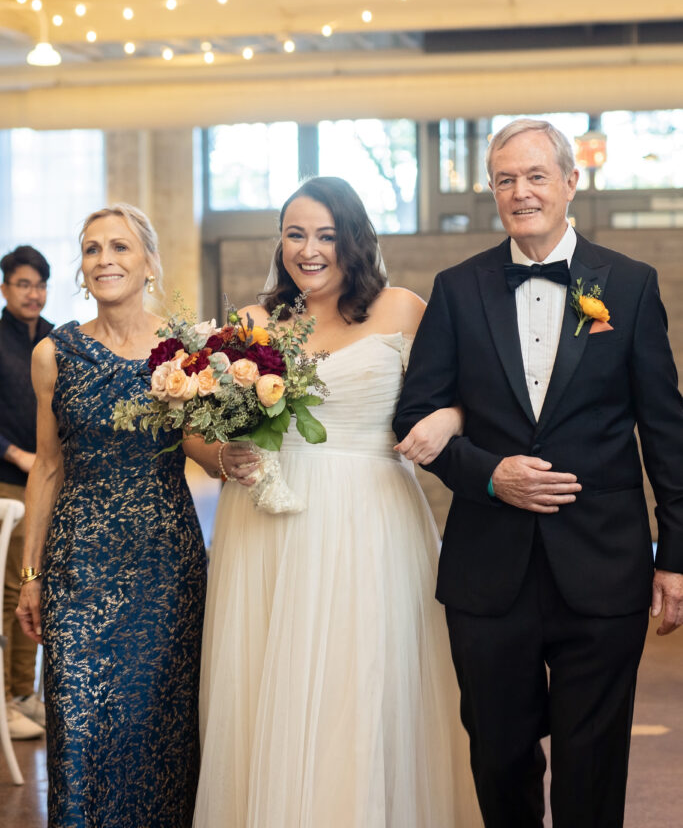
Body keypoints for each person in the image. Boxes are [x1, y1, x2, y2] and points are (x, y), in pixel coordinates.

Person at [394, 117, 683, 828]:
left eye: (534, 176)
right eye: (504, 180)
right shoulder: (456, 289)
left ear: (569, 182)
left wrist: (674, 555)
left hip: (602, 564)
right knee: (498, 755)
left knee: (592, 761)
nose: (519, 192)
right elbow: (415, 417)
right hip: (488, 570)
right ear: (491, 190)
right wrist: (492, 475)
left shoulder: (632, 285)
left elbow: (665, 431)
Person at [187, 176, 482, 827]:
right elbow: (196, 430)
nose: (309, 249)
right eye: (295, 234)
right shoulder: (251, 326)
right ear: (280, 243)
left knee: (363, 684)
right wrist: (220, 456)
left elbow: (465, 399)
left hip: (369, 521)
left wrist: (446, 422)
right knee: (273, 688)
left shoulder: (404, 309)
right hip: (267, 523)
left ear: (354, 239)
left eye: (325, 234)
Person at [16, 204, 207, 828]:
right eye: (92, 249)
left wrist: (239, 450)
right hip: (77, 568)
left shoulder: (186, 351)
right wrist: (30, 574)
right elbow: (46, 466)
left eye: (120, 247)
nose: (105, 260)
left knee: (157, 734)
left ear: (149, 262)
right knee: (77, 730)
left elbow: (203, 450)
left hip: (164, 567)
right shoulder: (55, 353)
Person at [0, 245, 53, 740]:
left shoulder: (55, 340)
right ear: (4, 288)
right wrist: (18, 455)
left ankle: (25, 692)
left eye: (39, 284)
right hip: (8, 484)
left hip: (47, 485)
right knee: (12, 590)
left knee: (36, 587)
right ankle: (9, 697)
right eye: (23, 284)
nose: (33, 293)